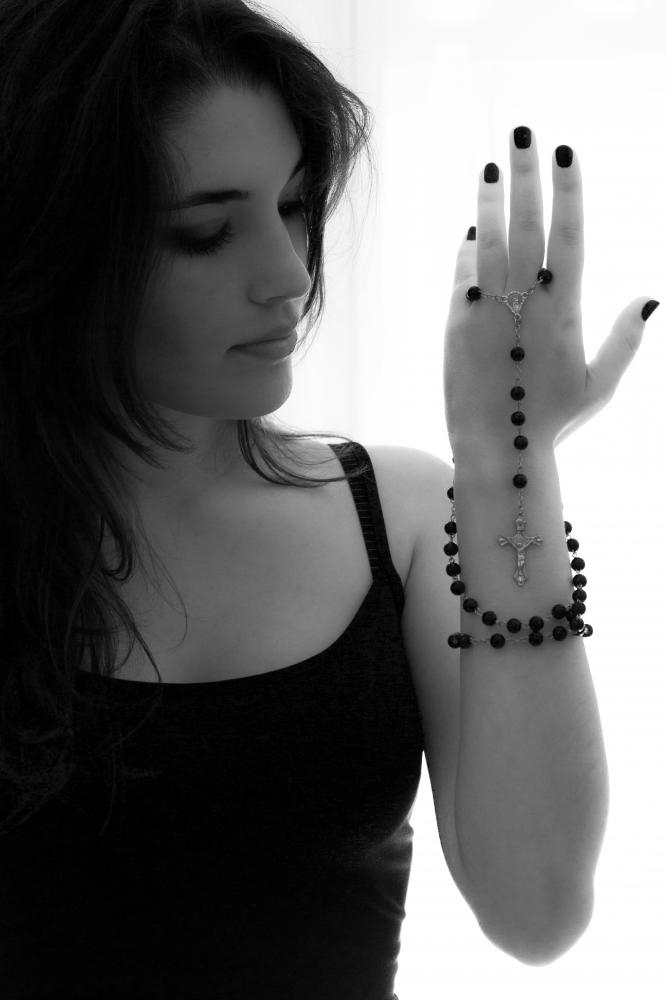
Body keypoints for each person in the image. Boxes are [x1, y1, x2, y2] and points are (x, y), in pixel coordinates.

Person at [0, 2, 660, 999]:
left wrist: (506, 455)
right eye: (206, 233)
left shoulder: (398, 516)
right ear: (54, 241)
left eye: (298, 205)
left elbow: (537, 909)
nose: (286, 273)